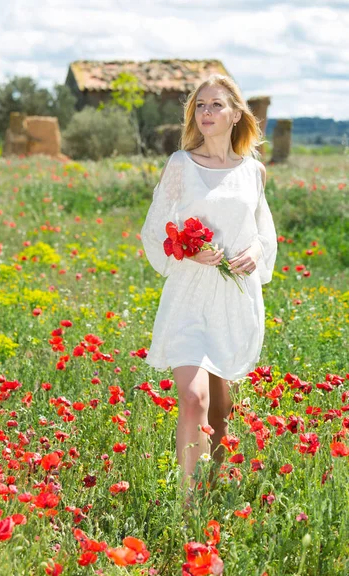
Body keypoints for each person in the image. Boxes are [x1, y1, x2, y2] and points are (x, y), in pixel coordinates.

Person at [140, 74, 278, 506]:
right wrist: (185, 250)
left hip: (233, 296)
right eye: (200, 106)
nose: (207, 114)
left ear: (236, 113)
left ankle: (211, 491)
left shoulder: (253, 171)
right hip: (189, 294)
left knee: (219, 410)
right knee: (193, 397)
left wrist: (255, 251)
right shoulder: (180, 164)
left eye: (217, 105)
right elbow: (156, 227)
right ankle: (186, 506)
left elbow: (262, 232)